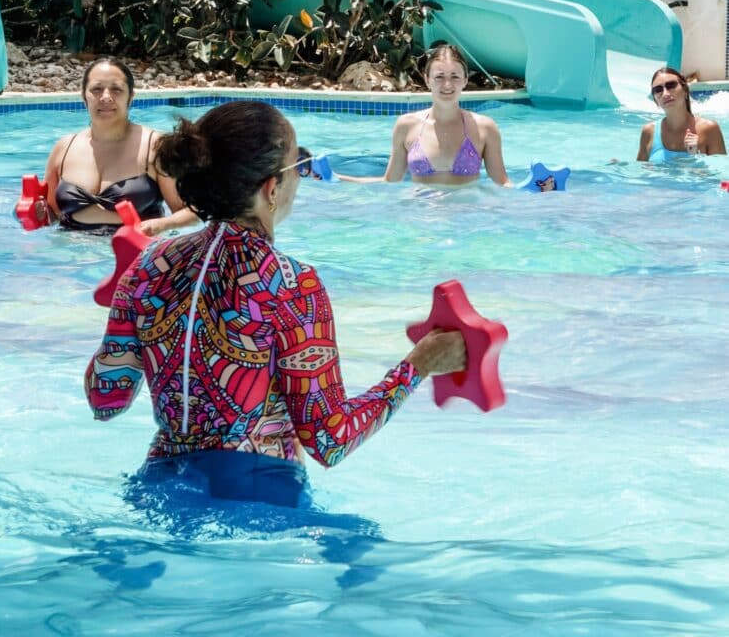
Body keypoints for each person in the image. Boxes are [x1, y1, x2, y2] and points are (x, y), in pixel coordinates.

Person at [84, 100, 466, 508]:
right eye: (297, 166)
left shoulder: (149, 266)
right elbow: (329, 439)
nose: (300, 178)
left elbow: (105, 400)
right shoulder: (290, 283)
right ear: (271, 187)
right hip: (259, 501)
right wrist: (419, 365)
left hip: (158, 493)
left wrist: (135, 317)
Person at [44, 57, 197, 235]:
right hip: (68, 255)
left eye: (116, 89)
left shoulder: (156, 147)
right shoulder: (63, 148)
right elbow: (52, 214)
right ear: (84, 96)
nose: (106, 97)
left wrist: (160, 226)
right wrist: (31, 212)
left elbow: (192, 212)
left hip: (136, 254)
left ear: (130, 97)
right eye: (96, 89)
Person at [339, 44, 511, 186]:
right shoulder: (406, 126)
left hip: (467, 221)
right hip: (420, 220)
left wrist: (534, 187)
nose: (447, 84)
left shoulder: (485, 128)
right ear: (427, 79)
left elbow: (502, 184)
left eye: (455, 77)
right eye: (439, 77)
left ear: (465, 80)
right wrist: (337, 178)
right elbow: (389, 182)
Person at [637, 66, 726, 162]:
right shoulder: (649, 132)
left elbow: (721, 174)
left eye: (671, 85)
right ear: (655, 101)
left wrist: (696, 155)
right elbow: (638, 172)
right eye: (658, 90)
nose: (665, 94)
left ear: (685, 90)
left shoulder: (709, 129)